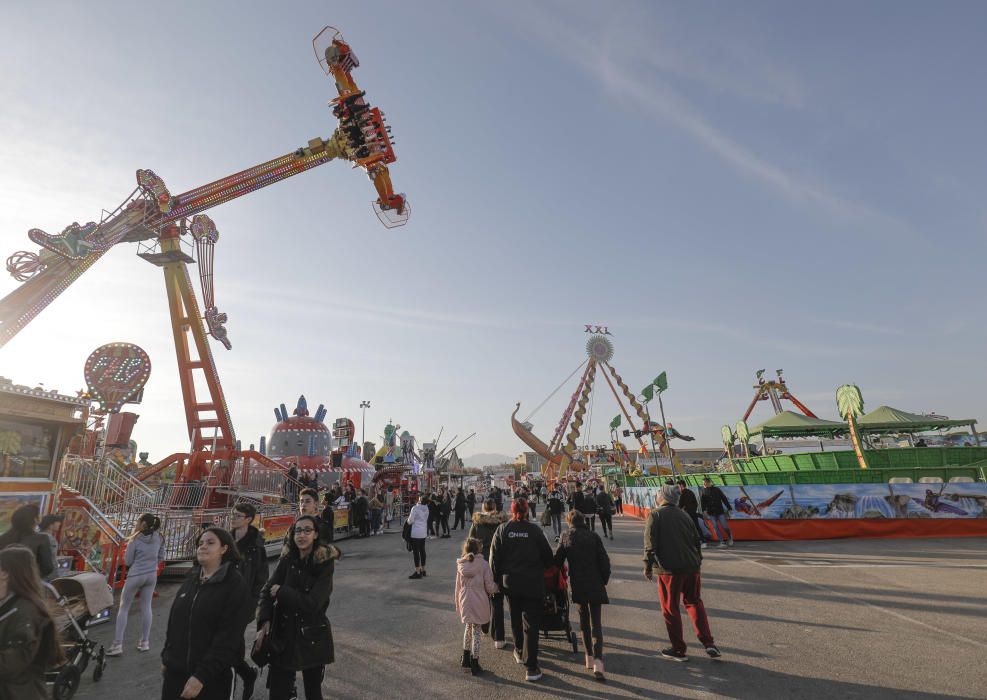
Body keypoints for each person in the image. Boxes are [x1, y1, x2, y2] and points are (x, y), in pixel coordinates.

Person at [256, 515, 341, 700]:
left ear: (316, 534)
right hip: (283, 636)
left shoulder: (324, 564)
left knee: (313, 692)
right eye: (298, 530)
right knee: (278, 692)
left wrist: (282, 592)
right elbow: (265, 591)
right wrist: (264, 620)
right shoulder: (288, 559)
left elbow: (312, 604)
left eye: (307, 530)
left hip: (312, 635)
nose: (301, 535)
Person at [161, 527, 249, 700]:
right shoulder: (191, 579)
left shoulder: (234, 584)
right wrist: (167, 656)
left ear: (224, 549)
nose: (202, 546)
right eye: (200, 543)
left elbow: (229, 636)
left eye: (210, 543)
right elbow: (175, 622)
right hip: (175, 674)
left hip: (210, 679)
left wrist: (202, 675)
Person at [643, 485, 720, 661]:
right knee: (694, 603)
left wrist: (647, 566)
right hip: (692, 566)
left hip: (670, 569)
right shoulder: (684, 514)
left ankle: (678, 649)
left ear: (662, 496)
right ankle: (708, 643)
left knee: (670, 608)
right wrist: (698, 560)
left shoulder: (655, 515)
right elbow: (696, 540)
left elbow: (649, 543)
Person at [490, 499, 553, 683]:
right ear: (527, 511)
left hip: (510, 584)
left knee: (516, 619)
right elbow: (549, 559)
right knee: (531, 624)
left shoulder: (503, 529)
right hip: (532, 584)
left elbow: (494, 559)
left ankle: (519, 651)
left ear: (512, 511)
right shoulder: (535, 531)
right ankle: (531, 667)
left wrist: (494, 583)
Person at [0, 545, 65, 699]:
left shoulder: (27, 612)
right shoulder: (8, 604)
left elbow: (12, 662)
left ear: (4, 573)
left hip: (19, 693)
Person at [555, 511, 610, 681]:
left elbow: (556, 561)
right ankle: (599, 662)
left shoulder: (566, 536)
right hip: (595, 583)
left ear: (569, 521)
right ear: (583, 521)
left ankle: (588, 657)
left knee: (584, 622)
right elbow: (604, 561)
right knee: (597, 624)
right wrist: (604, 580)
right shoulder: (594, 536)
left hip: (578, 584)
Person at [107, 513, 166, 657]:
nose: (136, 523)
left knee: (124, 607)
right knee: (146, 607)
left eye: (138, 521)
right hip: (151, 575)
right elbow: (161, 557)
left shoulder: (135, 540)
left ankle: (117, 644)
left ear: (143, 524)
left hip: (135, 575)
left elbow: (127, 561)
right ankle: (145, 642)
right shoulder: (159, 538)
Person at [230, 502, 269, 700]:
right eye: (233, 514)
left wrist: (251, 603)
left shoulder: (256, 547)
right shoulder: (225, 540)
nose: (233, 517)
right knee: (228, 648)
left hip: (242, 604)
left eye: (238, 515)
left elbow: (261, 579)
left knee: (227, 646)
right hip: (220, 602)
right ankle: (247, 673)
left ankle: (242, 677)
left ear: (247, 519)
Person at [467, 499, 509, 647]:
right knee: (497, 600)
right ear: (496, 508)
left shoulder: (477, 523)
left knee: (481, 597)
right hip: (498, 564)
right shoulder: (502, 523)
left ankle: (484, 624)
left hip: (481, 563)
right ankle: (499, 638)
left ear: (483, 508)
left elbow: (470, 544)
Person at [455, 537, 498, 676]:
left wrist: (458, 603)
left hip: (465, 600)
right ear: (479, 549)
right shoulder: (483, 564)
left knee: (468, 628)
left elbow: (458, 587)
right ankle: (475, 662)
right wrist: (496, 588)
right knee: (477, 632)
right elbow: (489, 586)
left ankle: (465, 659)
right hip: (479, 600)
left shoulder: (461, 565)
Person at [0, 504, 55, 579]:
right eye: (39, 514)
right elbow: (48, 567)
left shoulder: (3, 538)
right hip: (29, 584)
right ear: (35, 519)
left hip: (5, 583)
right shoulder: (42, 538)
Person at [700, 477, 733, 547]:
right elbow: (703, 502)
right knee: (715, 526)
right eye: (703, 482)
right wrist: (704, 511)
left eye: (705, 482)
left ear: (709, 482)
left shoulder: (717, 489)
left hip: (720, 511)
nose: (703, 484)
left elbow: (724, 498)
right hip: (711, 512)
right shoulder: (703, 491)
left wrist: (729, 508)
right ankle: (721, 542)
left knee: (725, 526)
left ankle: (730, 538)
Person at [677, 479, 710, 548]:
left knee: (689, 528)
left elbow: (680, 504)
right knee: (696, 527)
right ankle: (703, 541)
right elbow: (695, 503)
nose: (678, 488)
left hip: (687, 514)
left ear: (681, 486)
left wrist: (681, 510)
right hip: (693, 513)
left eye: (678, 486)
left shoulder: (683, 493)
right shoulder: (691, 492)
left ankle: (697, 542)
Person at [407, 494, 430, 579]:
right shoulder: (427, 508)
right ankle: (423, 570)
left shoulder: (415, 508)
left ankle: (417, 571)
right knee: (422, 550)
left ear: (420, 500)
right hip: (423, 532)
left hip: (416, 532)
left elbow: (410, 521)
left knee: (416, 552)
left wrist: (408, 521)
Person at [38, 513, 64, 580]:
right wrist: (56, 576)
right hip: (48, 577)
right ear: (50, 525)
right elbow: (52, 559)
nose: (59, 524)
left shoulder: (37, 536)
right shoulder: (50, 539)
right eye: (57, 522)